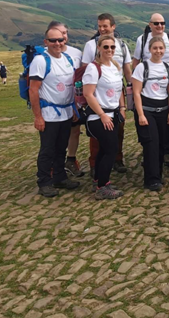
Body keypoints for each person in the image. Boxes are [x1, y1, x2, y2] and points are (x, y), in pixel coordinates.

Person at [28, 28, 80, 198]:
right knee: (47, 149)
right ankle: (43, 181)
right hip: (49, 113)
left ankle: (59, 177)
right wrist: (38, 116)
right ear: (46, 42)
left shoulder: (67, 59)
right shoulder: (40, 61)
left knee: (61, 147)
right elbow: (33, 90)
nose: (57, 43)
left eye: (60, 40)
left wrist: (73, 108)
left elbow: (70, 86)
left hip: (65, 112)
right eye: (53, 40)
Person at [82, 13, 132, 174]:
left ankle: (117, 159)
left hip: (117, 90)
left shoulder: (122, 45)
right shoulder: (91, 45)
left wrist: (131, 89)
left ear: (113, 27)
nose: (102, 29)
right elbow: (85, 69)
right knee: (98, 133)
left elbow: (127, 68)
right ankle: (95, 164)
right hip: (99, 92)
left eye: (105, 26)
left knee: (118, 129)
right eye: (100, 26)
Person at [132, 13, 169, 167]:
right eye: (156, 23)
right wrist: (139, 80)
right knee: (147, 126)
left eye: (162, 23)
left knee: (167, 124)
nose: (160, 26)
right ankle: (150, 153)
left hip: (167, 86)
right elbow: (136, 60)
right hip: (148, 87)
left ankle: (166, 152)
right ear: (150, 24)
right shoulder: (142, 39)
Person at [83, 35, 125, 200]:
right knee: (111, 150)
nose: (109, 50)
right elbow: (88, 94)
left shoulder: (115, 65)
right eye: (106, 47)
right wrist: (102, 115)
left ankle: (98, 180)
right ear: (99, 48)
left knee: (104, 149)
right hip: (99, 116)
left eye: (112, 47)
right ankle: (103, 186)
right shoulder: (93, 68)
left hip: (112, 113)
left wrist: (122, 107)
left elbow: (119, 88)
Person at [132, 37, 169, 191]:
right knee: (151, 145)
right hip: (147, 110)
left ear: (164, 50)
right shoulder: (142, 67)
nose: (158, 51)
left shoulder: (168, 67)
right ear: (149, 49)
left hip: (163, 110)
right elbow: (136, 93)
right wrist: (141, 114)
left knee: (162, 145)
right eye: (155, 48)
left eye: (161, 48)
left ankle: (159, 174)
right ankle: (151, 179)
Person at [47, 21, 86, 179]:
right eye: (59, 33)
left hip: (73, 101)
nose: (62, 36)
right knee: (54, 136)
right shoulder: (44, 54)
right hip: (52, 104)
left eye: (65, 33)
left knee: (74, 131)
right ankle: (52, 166)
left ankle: (70, 159)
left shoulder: (76, 53)